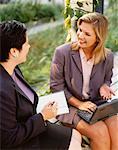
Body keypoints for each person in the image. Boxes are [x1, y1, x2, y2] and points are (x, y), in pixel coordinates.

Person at [0, 20, 82, 150]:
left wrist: (43, 114)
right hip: (21, 141)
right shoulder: (2, 90)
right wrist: (43, 116)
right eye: (26, 43)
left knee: (76, 136)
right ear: (14, 51)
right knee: (74, 146)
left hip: (32, 125)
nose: (29, 46)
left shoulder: (13, 69)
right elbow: (9, 138)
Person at [50, 12, 118, 150]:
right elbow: (56, 87)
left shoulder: (108, 56)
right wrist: (79, 104)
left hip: (96, 105)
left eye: (87, 34)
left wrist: (105, 86)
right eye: (80, 30)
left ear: (98, 38)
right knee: (100, 132)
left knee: (116, 128)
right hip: (69, 107)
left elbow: (107, 79)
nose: (80, 36)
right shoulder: (62, 53)